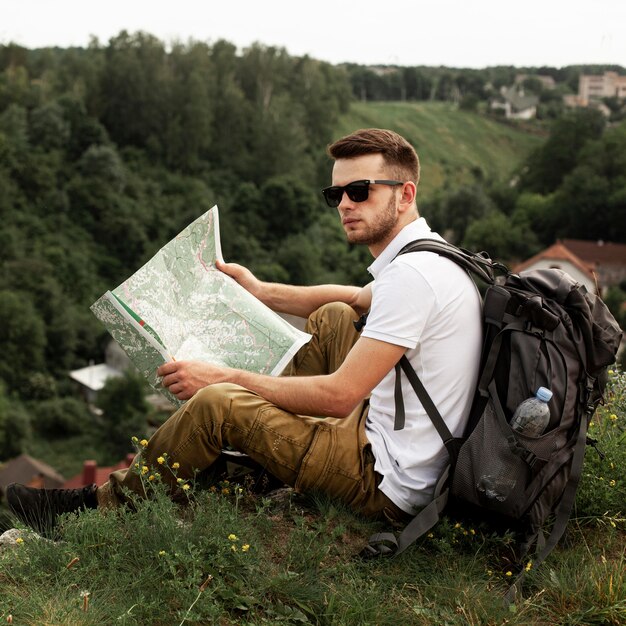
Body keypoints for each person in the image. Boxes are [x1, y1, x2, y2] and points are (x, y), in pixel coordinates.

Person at [7, 128, 482, 533]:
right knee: (335, 315)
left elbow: (339, 396)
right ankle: (267, 446)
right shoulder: (429, 258)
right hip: (401, 445)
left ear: (405, 193)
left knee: (218, 404)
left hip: (385, 480)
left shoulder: (412, 280)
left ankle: (96, 512)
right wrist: (259, 290)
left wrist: (221, 377)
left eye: (360, 191)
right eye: (334, 194)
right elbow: (356, 299)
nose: (343, 204)